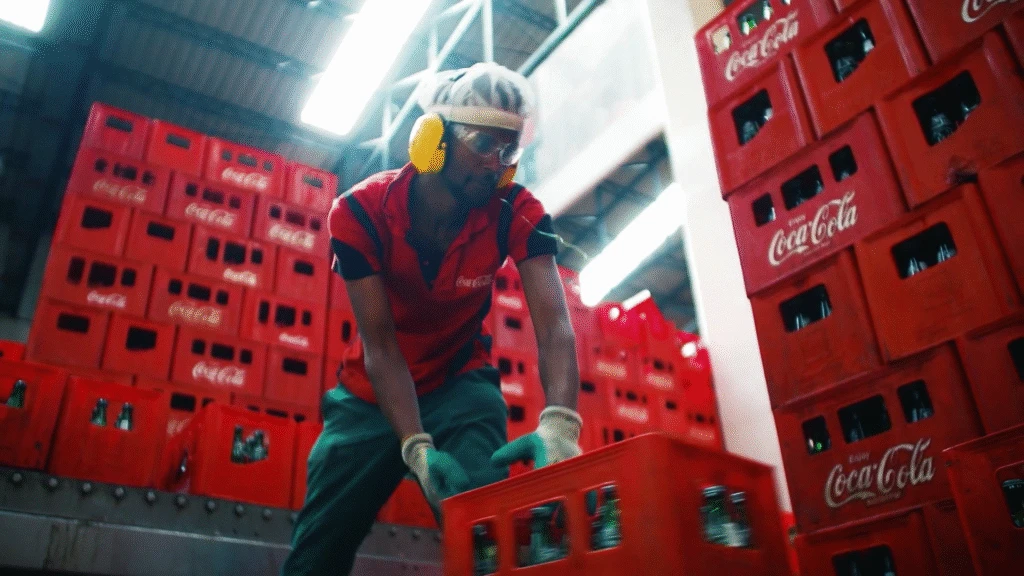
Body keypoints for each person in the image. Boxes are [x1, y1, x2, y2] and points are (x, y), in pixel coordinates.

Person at [281, 62, 583, 576]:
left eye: (508, 150)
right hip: (370, 395)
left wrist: (560, 424)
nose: (497, 164)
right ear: (433, 139)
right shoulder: (359, 213)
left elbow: (554, 328)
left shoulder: (515, 209)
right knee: (318, 553)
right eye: (483, 144)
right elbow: (381, 349)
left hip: (460, 383)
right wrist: (416, 448)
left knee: (485, 531)